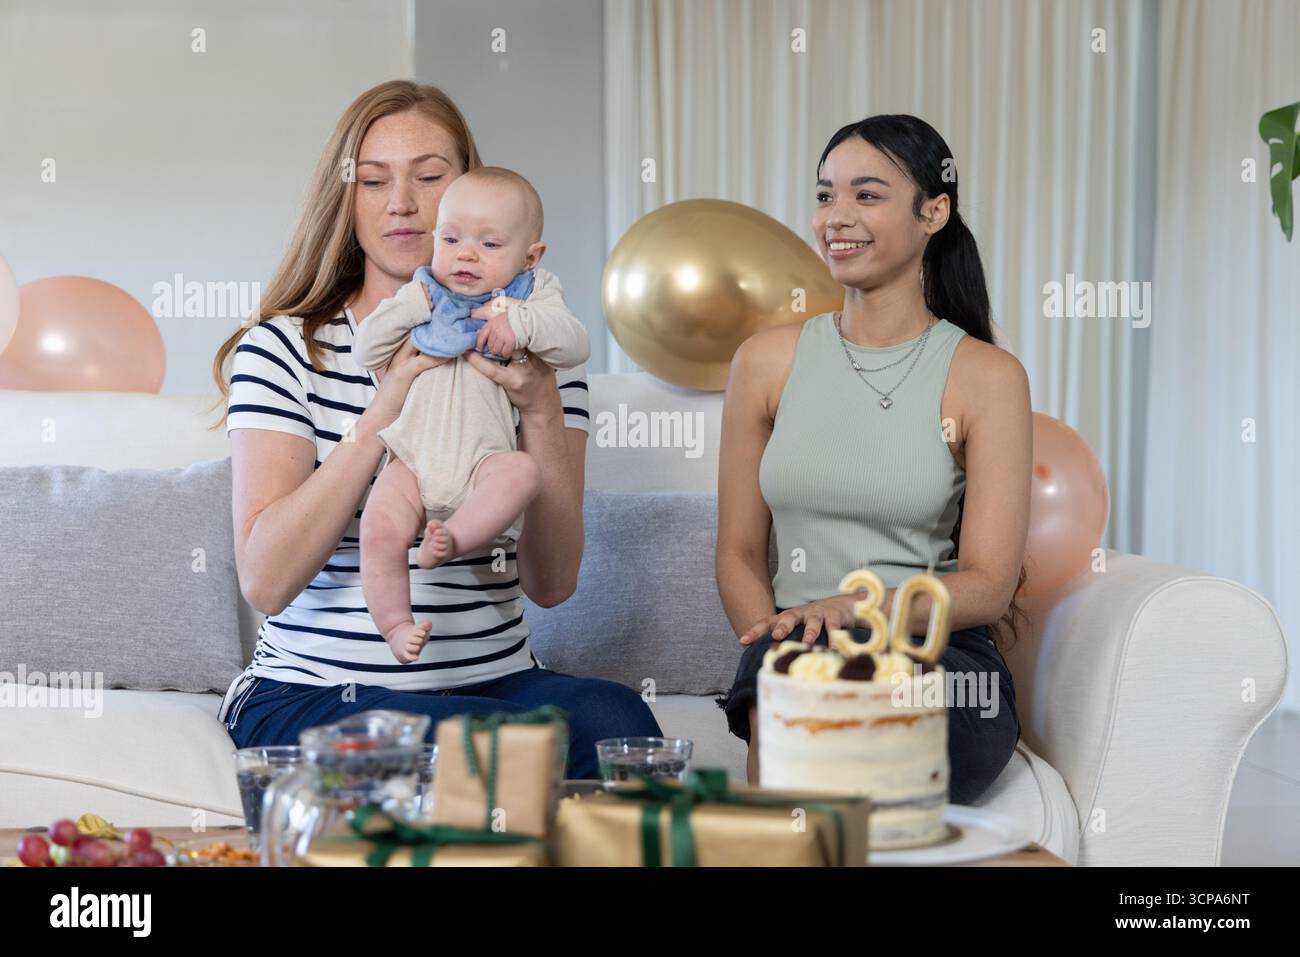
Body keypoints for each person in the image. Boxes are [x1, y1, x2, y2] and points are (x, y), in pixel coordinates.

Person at [209, 80, 660, 780]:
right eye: (374, 180)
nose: (402, 204)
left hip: (493, 684)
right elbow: (266, 581)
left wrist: (539, 405)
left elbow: (553, 580)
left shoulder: (534, 344)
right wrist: (383, 413)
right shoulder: (284, 349)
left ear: (469, 192)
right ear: (345, 197)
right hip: (312, 693)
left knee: (619, 721)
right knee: (500, 743)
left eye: (428, 177)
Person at [714, 114, 1031, 804]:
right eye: (826, 195)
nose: (837, 217)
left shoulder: (987, 376)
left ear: (934, 211)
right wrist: (777, 637)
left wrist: (854, 610)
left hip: (936, 657)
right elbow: (738, 553)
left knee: (847, 728)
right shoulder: (766, 361)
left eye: (867, 194)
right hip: (801, 645)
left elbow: (987, 585)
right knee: (793, 685)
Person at [351, 166, 589, 665]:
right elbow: (365, 348)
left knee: (523, 472)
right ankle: (395, 625)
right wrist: (406, 312)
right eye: (452, 238)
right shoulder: (422, 292)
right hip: (411, 461)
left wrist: (519, 323)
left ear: (530, 255)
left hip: (485, 459)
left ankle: (456, 536)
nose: (465, 254)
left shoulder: (531, 294)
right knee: (378, 528)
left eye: (490, 244)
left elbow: (575, 344)